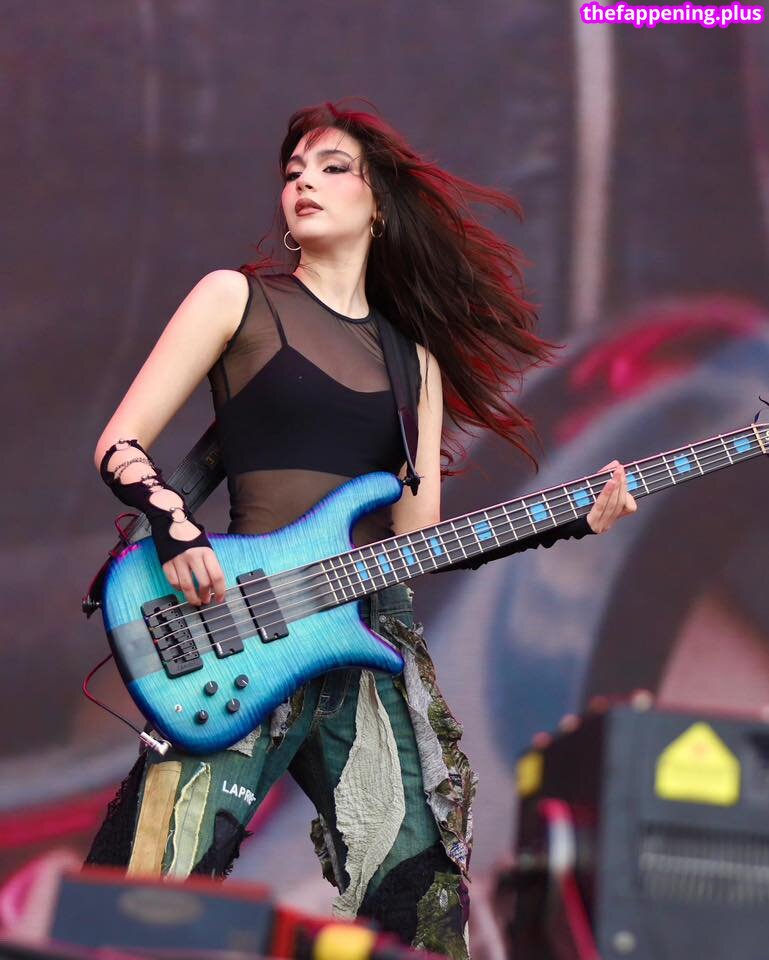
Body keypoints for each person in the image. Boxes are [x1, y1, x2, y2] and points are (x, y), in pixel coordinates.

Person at [85, 99, 636, 959]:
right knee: (151, 893)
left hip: (365, 649)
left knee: (419, 908)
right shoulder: (237, 299)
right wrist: (175, 529)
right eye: (292, 171)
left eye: (331, 166)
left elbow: (421, 542)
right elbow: (120, 444)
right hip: (240, 630)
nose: (303, 180)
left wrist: (566, 522)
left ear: (378, 203)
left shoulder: (412, 361)